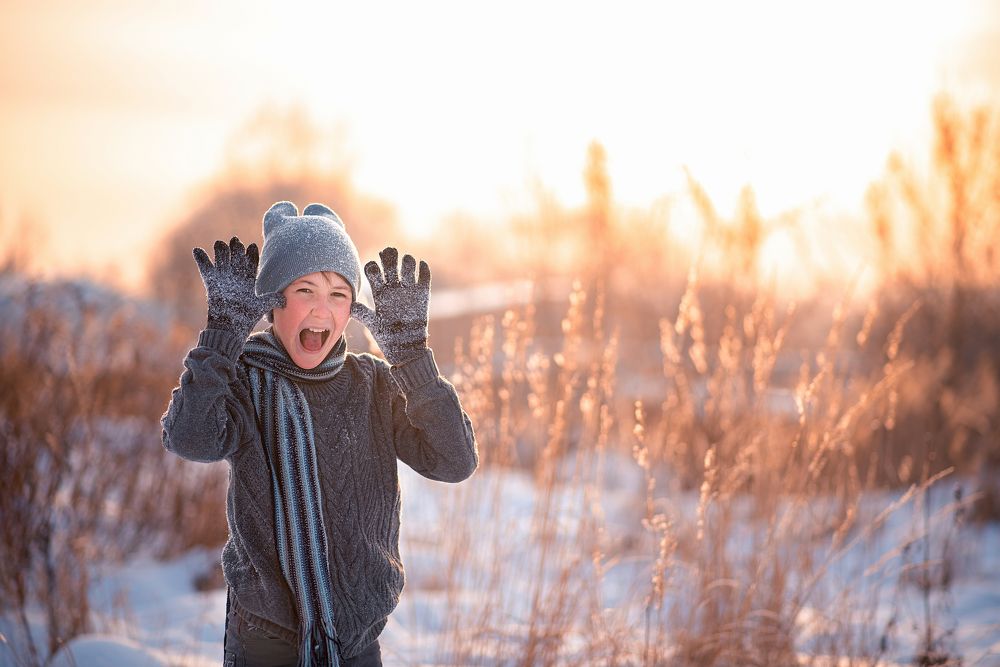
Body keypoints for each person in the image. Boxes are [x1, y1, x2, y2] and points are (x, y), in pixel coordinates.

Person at [161, 201, 479, 666]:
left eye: (337, 294)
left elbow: (455, 461)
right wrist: (221, 341)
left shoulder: (375, 384)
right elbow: (189, 437)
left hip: (357, 637)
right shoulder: (245, 378)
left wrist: (411, 358)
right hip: (265, 637)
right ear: (272, 302)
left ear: (352, 308)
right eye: (304, 289)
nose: (320, 308)